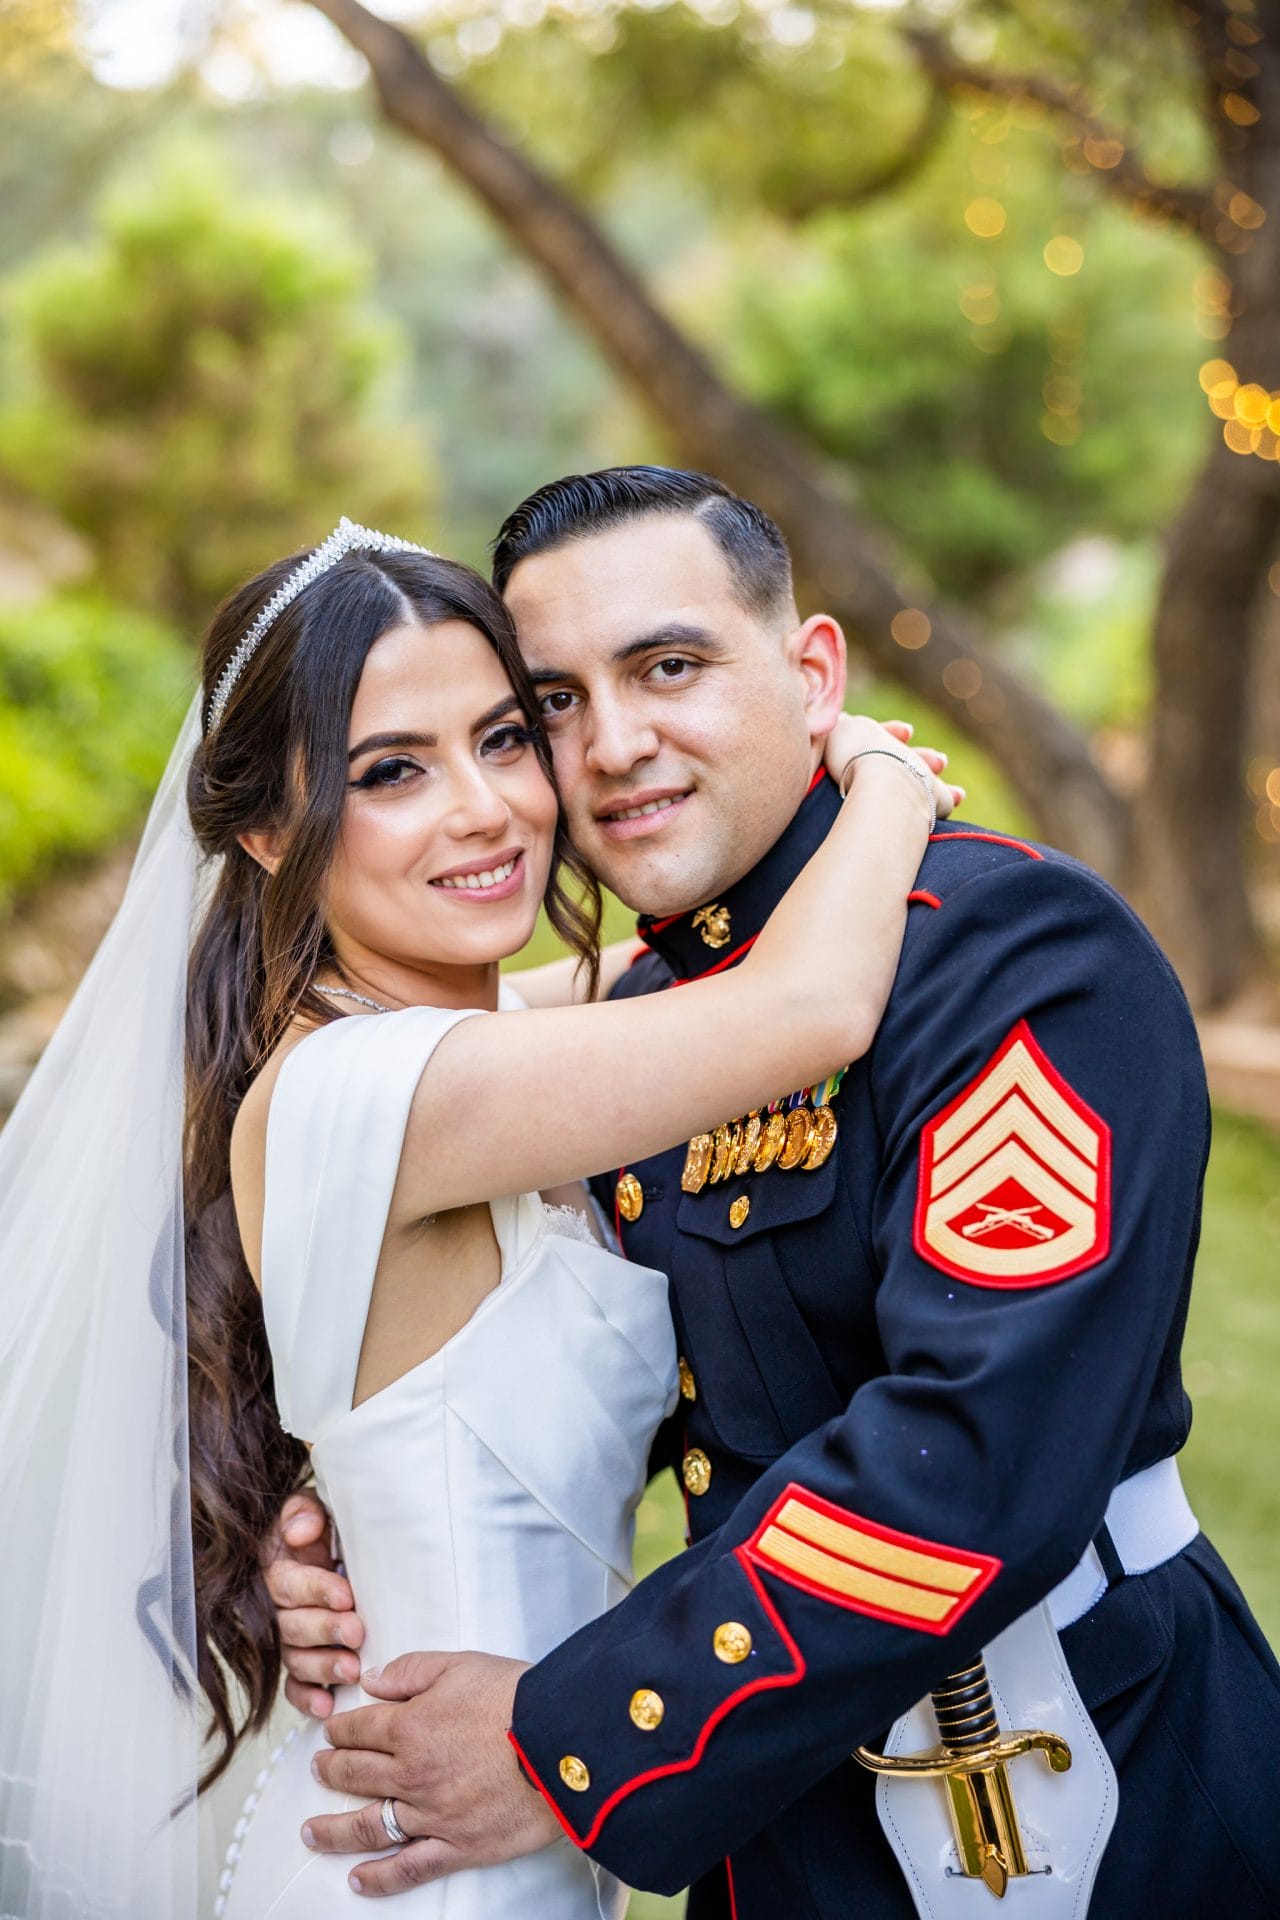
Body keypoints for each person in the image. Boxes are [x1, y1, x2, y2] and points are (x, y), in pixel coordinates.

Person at [274, 470, 1280, 1919]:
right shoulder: (646, 1025)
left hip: (1095, 1783)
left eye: (669, 666)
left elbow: (976, 1450)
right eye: (553, 703)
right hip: (779, 1833)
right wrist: (319, 1531)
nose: (615, 744)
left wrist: (575, 1737)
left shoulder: (1012, 953)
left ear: (813, 675)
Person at [0, 512, 950, 1919]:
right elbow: (802, 1005)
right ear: (266, 830)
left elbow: (646, 984)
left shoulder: (428, 1044)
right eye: (394, 771)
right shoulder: (380, 1091)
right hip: (421, 1868)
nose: (488, 808)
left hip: (479, 1816)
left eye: (505, 739)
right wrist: (875, 772)